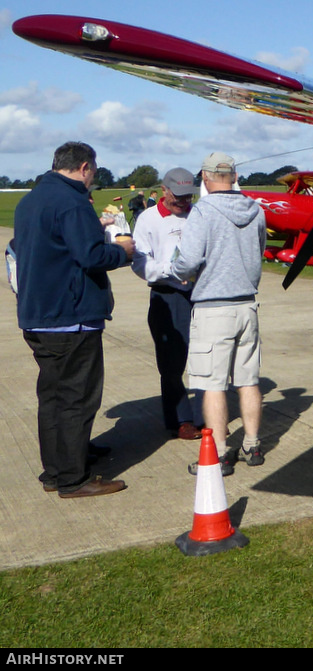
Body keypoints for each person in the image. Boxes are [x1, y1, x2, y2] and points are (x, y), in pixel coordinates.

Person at [14, 142, 133, 498]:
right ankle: (72, 478)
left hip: (38, 314)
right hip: (70, 315)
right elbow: (91, 256)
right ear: (84, 167)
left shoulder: (33, 199)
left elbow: (54, 245)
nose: (92, 180)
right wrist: (122, 252)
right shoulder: (72, 201)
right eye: (93, 174)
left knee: (52, 396)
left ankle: (59, 466)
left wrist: (89, 226)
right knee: (77, 398)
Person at [172, 153, 267, 475]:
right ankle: (252, 446)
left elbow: (187, 260)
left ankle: (220, 453)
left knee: (211, 384)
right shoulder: (255, 209)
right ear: (234, 175)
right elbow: (259, 248)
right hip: (246, 303)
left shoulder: (203, 211)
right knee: (248, 380)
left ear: (206, 176)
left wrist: (178, 270)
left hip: (214, 306)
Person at [132, 167, 203, 440]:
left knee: (204, 357)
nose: (184, 202)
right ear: (164, 190)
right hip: (168, 294)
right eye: (178, 196)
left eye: (188, 196)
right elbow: (140, 263)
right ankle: (181, 419)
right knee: (172, 363)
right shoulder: (148, 219)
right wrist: (171, 270)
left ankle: (206, 414)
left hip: (201, 294)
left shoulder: (198, 215)